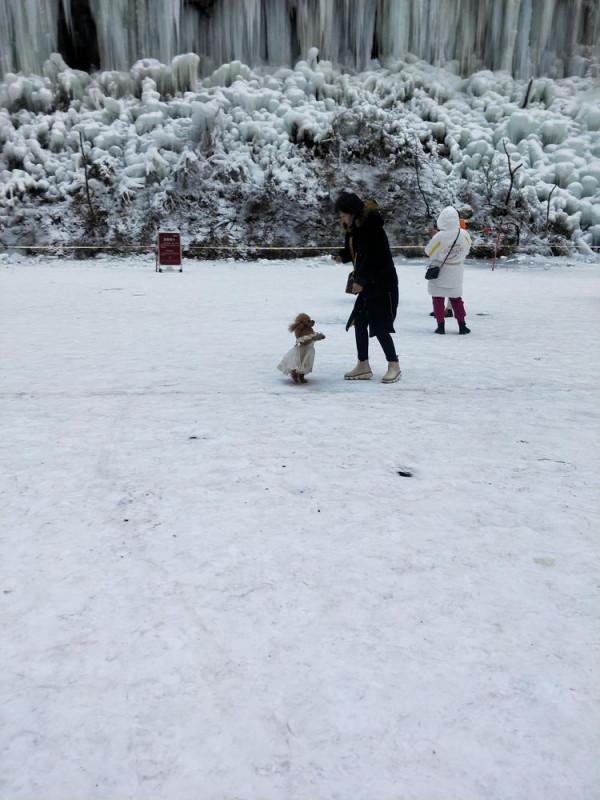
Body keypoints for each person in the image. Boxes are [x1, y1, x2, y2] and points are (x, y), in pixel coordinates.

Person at [334, 192, 401, 383]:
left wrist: (360, 280)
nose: (341, 218)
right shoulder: (354, 228)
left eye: (343, 214)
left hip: (382, 283)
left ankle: (394, 365)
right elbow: (355, 251)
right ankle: (363, 364)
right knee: (360, 321)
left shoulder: (371, 226)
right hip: (368, 284)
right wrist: (342, 255)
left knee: (380, 325)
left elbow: (374, 257)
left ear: (352, 211)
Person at [424, 207, 472, 334]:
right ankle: (462, 326)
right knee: (456, 299)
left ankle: (440, 326)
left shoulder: (440, 236)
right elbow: (468, 248)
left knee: (438, 299)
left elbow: (429, 251)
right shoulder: (464, 234)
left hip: (440, 271)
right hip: (456, 270)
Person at [277, 313, 325, 383]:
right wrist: (313, 337)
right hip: (301, 350)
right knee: (297, 364)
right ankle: (295, 376)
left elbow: (312, 336)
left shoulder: (309, 328)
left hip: (308, 350)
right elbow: (301, 340)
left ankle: (301, 376)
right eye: (308, 321)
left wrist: (318, 337)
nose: (310, 322)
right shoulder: (299, 329)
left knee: (305, 363)